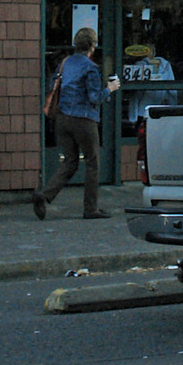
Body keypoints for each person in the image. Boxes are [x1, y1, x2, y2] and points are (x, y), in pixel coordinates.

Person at [33, 27, 118, 220]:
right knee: (92, 163)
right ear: (92, 46)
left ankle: (44, 194)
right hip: (84, 120)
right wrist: (110, 89)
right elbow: (94, 98)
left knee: (70, 162)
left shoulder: (65, 63)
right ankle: (90, 208)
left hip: (62, 118)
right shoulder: (91, 68)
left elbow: (52, 85)